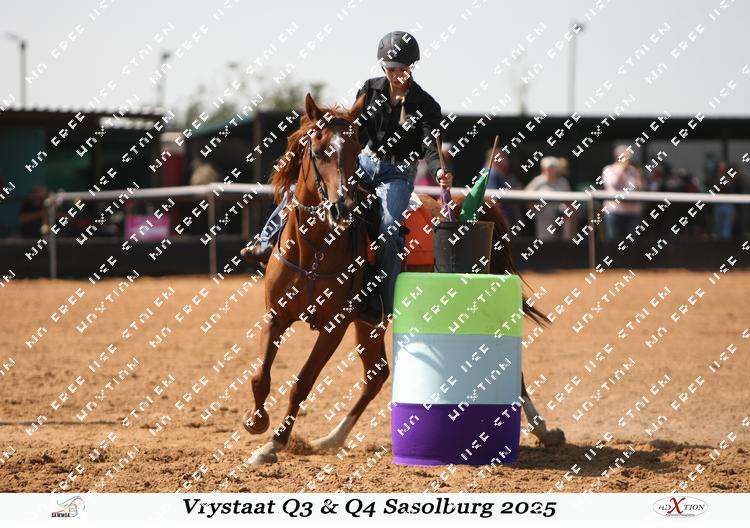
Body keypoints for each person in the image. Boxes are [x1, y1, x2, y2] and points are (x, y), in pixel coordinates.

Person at [240, 30, 452, 325]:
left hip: (397, 174)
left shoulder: (426, 105)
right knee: (302, 189)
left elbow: (431, 144)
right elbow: (355, 129)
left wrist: (439, 169)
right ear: (383, 67)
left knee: (389, 228)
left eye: (402, 69)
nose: (396, 75)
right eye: (390, 69)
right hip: (364, 163)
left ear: (412, 67)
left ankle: (383, 303)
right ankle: (265, 242)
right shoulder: (370, 89)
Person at [601, 145, 645, 242]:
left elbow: (640, 188)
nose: (627, 159)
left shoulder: (633, 170)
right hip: (615, 212)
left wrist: (639, 175)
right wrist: (622, 169)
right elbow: (614, 184)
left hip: (633, 213)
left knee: (632, 243)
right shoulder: (609, 169)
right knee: (613, 242)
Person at [524, 157, 572, 241]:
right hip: (544, 218)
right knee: (544, 242)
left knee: (563, 243)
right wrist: (535, 208)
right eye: (546, 168)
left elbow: (570, 201)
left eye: (552, 168)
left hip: (561, 219)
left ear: (556, 169)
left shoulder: (563, 182)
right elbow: (525, 197)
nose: (548, 171)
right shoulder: (537, 181)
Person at [487, 149, 522, 226]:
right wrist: (502, 219)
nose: (506, 160)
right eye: (503, 157)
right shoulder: (492, 174)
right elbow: (491, 198)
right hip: (498, 220)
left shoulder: (500, 174)